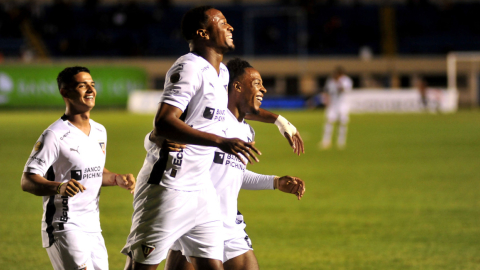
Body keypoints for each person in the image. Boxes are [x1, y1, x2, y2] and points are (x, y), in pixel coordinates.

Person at [121, 6, 261, 270]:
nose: (230, 27)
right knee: (142, 266)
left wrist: (276, 119)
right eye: (222, 22)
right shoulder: (189, 67)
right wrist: (220, 142)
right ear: (202, 33)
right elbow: (164, 123)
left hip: (201, 189)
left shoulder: (222, 74)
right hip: (168, 186)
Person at [162, 58, 306, 270]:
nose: (264, 89)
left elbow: (233, 173)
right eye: (257, 83)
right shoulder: (207, 122)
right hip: (194, 222)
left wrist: (275, 182)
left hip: (230, 225)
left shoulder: (246, 131)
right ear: (236, 86)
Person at [21, 66, 136, 270]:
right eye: (83, 86)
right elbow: (28, 180)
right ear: (65, 92)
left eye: (92, 85)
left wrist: (117, 178)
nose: (90, 90)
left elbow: (92, 172)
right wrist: (59, 187)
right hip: (64, 225)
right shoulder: (54, 135)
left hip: (93, 227)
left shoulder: (100, 131)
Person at [320, 66, 353, 150]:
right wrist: (326, 100)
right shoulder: (330, 81)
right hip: (333, 104)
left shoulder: (346, 80)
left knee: (342, 122)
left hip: (343, 104)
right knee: (329, 121)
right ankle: (326, 141)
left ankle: (341, 142)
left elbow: (344, 90)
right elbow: (327, 91)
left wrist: (338, 82)